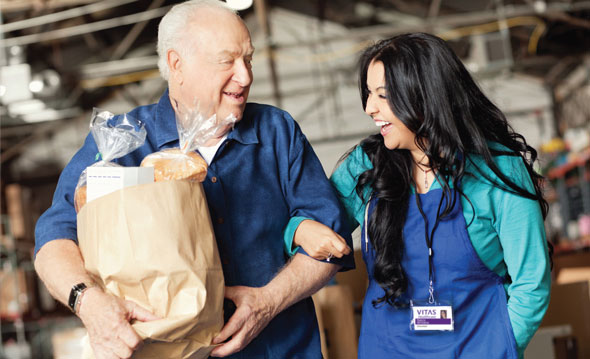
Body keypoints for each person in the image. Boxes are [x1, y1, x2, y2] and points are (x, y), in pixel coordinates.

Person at [34, 1, 353, 358]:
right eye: (226, 61)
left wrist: (268, 302)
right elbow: (54, 240)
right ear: (176, 64)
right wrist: (89, 303)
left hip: (281, 349)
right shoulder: (120, 142)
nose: (245, 76)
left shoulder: (277, 132)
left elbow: (330, 244)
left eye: (248, 59)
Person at [286, 33, 551, 359]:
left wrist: (499, 349)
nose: (369, 108)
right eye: (369, 94)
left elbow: (531, 284)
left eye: (382, 95)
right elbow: (314, 226)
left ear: (425, 96)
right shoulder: (367, 165)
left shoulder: (497, 170)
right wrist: (297, 228)